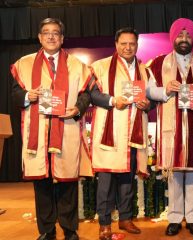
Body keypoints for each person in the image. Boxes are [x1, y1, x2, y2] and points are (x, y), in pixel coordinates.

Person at [10, 18, 96, 240]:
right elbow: (14, 94)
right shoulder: (24, 63)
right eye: (46, 33)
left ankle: (69, 229)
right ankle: (47, 231)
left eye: (55, 33)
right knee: (42, 183)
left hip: (66, 129)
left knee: (67, 183)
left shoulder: (77, 65)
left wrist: (77, 108)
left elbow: (86, 94)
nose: (50, 36)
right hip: (37, 132)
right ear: (39, 37)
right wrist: (28, 95)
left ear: (62, 38)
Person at [146, 18, 193, 236]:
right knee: (175, 176)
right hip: (172, 129)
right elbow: (149, 90)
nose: (184, 39)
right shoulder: (158, 64)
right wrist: (165, 90)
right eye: (181, 35)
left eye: (188, 35)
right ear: (173, 38)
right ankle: (176, 218)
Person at [90, 27, 150, 240]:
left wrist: (147, 104)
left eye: (131, 43)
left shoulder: (144, 69)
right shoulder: (100, 66)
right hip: (110, 132)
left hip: (133, 133)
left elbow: (149, 97)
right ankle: (105, 224)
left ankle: (125, 218)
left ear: (137, 45)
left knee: (127, 180)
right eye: (123, 43)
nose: (127, 47)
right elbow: (92, 94)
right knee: (105, 181)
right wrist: (113, 100)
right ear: (116, 44)